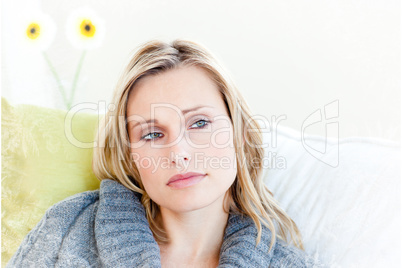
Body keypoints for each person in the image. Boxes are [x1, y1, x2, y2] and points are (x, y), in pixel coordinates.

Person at [7, 39, 323, 267]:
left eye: (199, 123)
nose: (179, 153)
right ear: (131, 155)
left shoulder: (290, 265)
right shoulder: (67, 228)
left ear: (239, 135)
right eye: (153, 134)